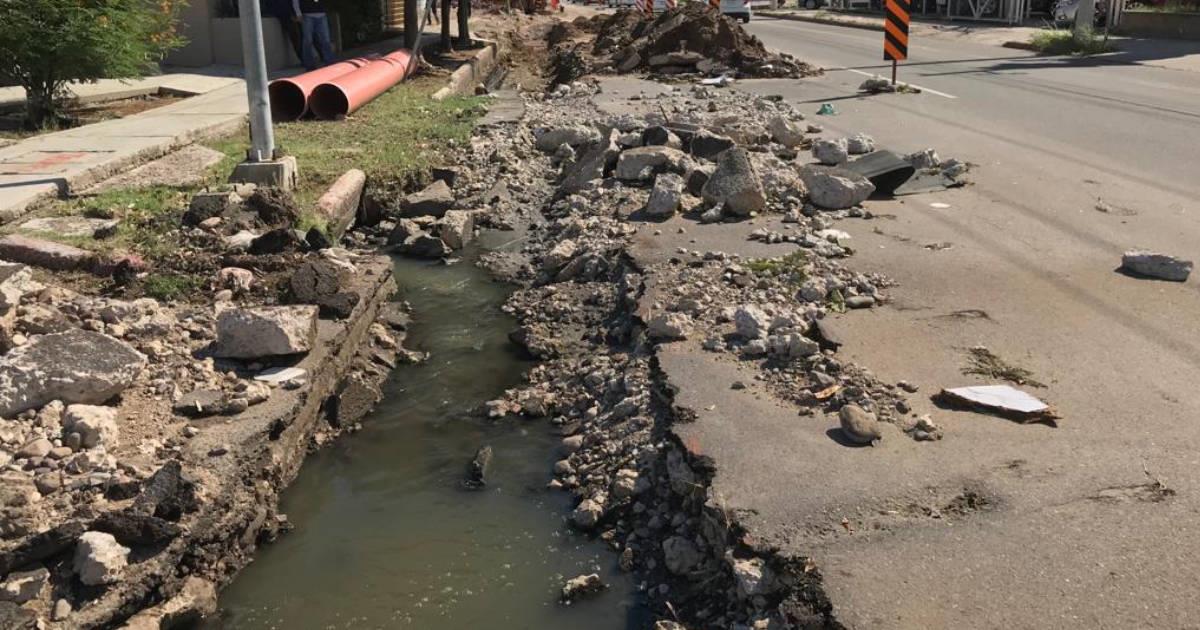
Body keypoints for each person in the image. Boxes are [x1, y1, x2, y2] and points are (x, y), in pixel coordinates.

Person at [292, 0, 335, 71]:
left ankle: (329, 62)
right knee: (308, 41)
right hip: (307, 15)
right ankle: (309, 65)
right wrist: (298, 13)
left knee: (325, 40)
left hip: (321, 13)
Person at [265, 0, 303, 64]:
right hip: (286, 15)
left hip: (292, 13)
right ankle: (304, 59)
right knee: (296, 37)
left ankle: (305, 58)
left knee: (301, 37)